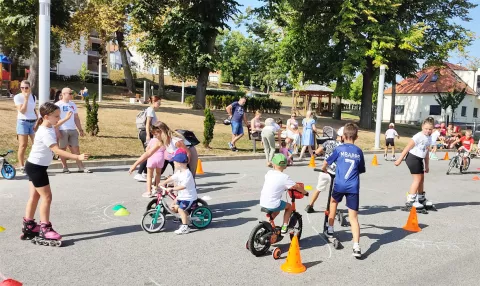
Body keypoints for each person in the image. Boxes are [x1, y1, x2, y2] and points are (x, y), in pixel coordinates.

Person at [22, 103, 89, 243]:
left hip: (33, 165)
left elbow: (56, 124)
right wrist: (77, 157)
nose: (59, 118)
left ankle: (29, 225)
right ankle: (45, 228)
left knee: (34, 197)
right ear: (46, 117)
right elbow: (57, 151)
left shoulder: (48, 125)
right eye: (57, 116)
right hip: (36, 168)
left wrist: (65, 119)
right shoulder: (45, 132)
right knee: (47, 197)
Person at [322, 123, 365, 258]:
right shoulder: (358, 151)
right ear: (356, 137)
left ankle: (330, 228)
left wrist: (324, 169)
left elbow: (326, 162)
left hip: (340, 184)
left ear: (343, 136)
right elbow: (361, 169)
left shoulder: (339, 149)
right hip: (353, 187)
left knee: (333, 202)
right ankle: (356, 246)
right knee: (353, 218)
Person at [129, 122, 199, 180]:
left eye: (156, 134)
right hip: (177, 158)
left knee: (189, 178)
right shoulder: (160, 142)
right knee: (177, 179)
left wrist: (185, 165)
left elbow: (188, 153)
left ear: (162, 132)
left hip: (189, 151)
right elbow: (148, 153)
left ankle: (191, 194)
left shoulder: (175, 141)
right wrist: (135, 165)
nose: (155, 137)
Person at [259, 153, 307, 234]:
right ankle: (285, 226)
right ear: (285, 166)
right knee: (289, 207)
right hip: (273, 204)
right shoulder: (285, 177)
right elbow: (296, 186)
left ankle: (268, 222)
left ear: (273, 164)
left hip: (263, 202)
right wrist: (305, 192)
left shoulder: (269, 173)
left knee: (276, 211)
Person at [395, 117, 434, 212]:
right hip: (412, 158)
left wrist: (427, 165)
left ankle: (421, 198)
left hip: (419, 159)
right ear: (422, 127)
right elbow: (407, 147)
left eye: (430, 129)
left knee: (422, 179)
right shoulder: (418, 136)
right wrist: (400, 159)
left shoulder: (429, 137)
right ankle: (411, 201)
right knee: (417, 179)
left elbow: (426, 152)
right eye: (426, 128)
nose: (428, 131)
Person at [305, 126, 344, 213]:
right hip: (335, 173)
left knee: (318, 188)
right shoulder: (343, 146)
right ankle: (331, 207)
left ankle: (310, 205)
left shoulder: (328, 142)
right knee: (335, 191)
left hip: (324, 170)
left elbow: (317, 152)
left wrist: (320, 153)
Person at [55, 87, 92, 174]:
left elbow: (76, 117)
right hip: (62, 130)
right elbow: (55, 120)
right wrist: (57, 131)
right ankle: (65, 167)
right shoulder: (58, 105)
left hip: (72, 130)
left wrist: (80, 129)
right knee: (62, 149)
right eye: (70, 93)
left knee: (76, 149)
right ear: (63, 94)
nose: (72, 95)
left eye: (72, 93)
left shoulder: (73, 105)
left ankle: (81, 167)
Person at [161, 149, 197, 234]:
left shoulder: (187, 174)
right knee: (173, 207)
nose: (173, 163)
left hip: (189, 197)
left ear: (180, 164)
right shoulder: (179, 172)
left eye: (174, 162)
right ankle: (186, 218)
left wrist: (172, 189)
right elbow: (173, 177)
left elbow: (183, 186)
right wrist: (164, 182)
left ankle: (185, 226)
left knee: (181, 209)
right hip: (182, 196)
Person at [14, 80, 38, 174]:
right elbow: (22, 111)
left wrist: (37, 120)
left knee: (36, 144)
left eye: (26, 87)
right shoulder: (18, 97)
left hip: (33, 122)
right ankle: (21, 166)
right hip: (23, 122)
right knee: (23, 145)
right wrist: (26, 99)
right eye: (22, 88)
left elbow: (33, 110)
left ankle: (34, 163)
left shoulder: (33, 97)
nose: (24, 89)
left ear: (30, 88)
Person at [135, 95, 161, 182]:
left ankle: (145, 173)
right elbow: (147, 124)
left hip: (148, 133)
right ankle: (139, 173)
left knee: (150, 153)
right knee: (148, 153)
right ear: (154, 102)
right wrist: (148, 136)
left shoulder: (150, 110)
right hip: (146, 133)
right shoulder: (150, 110)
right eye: (158, 102)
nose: (159, 104)